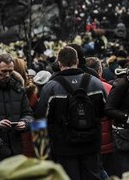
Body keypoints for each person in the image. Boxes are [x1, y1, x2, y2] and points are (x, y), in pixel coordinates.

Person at [36, 46, 107, 180]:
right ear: (78, 61)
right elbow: (104, 111)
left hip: (64, 146)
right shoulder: (95, 83)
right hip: (91, 144)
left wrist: (41, 153)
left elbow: (40, 119)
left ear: (59, 63)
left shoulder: (51, 87)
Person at [0, 54, 34, 165]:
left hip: (16, 147)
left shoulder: (18, 88)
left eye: (10, 71)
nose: (7, 75)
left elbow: (28, 113)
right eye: (3, 71)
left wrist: (25, 123)